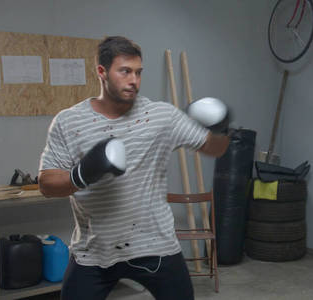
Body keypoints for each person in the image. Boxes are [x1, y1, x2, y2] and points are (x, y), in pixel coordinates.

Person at [38, 36, 229, 300]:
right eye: (125, 71)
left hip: (155, 245)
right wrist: (82, 174)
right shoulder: (70, 122)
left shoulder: (162, 116)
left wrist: (222, 128)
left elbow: (213, 148)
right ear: (102, 72)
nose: (134, 81)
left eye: (138, 72)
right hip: (95, 249)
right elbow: (46, 184)